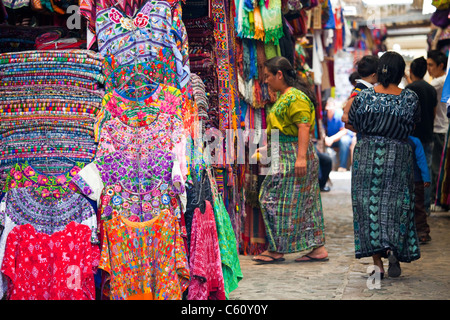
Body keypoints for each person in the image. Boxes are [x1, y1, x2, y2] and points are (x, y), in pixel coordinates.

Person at [347, 51, 421, 279]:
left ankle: (377, 264)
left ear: (379, 72)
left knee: (368, 208)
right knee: (397, 206)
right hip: (398, 157)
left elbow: (352, 124)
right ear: (401, 74)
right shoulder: (410, 98)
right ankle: (393, 249)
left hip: (367, 156)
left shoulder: (364, 98)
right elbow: (413, 127)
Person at [251, 56, 328, 264]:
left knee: (272, 198)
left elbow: (303, 126)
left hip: (294, 156)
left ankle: (277, 249)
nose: (265, 81)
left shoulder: (294, 97)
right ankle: (318, 248)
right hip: (287, 153)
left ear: (279, 74)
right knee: (305, 203)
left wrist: (301, 158)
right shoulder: (286, 96)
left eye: (267, 76)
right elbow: (289, 129)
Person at [405, 56, 437, 215]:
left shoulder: (410, 90)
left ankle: (414, 206)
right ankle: (425, 206)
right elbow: (434, 113)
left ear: (411, 71)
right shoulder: (430, 89)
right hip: (428, 135)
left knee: (413, 172)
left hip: (413, 137)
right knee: (427, 170)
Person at [427, 50, 448, 212]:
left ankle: (436, 199)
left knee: (436, 167)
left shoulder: (440, 81)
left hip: (439, 128)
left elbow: (424, 88)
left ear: (441, 65)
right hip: (440, 128)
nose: (428, 68)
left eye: (431, 65)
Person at [407, 136, 432, 244]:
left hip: (408, 181)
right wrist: (426, 177)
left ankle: (415, 232)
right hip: (416, 181)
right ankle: (421, 232)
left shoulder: (395, 140)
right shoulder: (415, 141)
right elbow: (422, 160)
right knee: (419, 207)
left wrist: (425, 177)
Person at [342, 55, 379, 126]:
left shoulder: (362, 86)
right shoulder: (361, 87)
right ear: (374, 75)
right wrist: (345, 114)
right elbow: (352, 99)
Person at [324, 98, 355, 171]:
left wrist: (332, 139)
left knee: (344, 140)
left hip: (341, 138)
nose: (329, 109)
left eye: (331, 107)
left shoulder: (339, 114)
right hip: (329, 139)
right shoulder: (324, 116)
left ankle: (342, 166)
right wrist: (325, 138)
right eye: (328, 107)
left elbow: (344, 131)